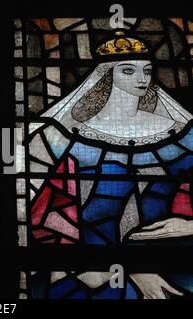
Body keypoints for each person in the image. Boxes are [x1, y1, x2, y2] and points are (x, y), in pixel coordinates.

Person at [29, 31, 193, 299]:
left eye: (147, 70)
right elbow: (45, 218)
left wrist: (189, 227)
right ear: (106, 75)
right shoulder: (61, 137)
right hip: (92, 268)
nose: (142, 79)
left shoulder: (184, 134)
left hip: (175, 258)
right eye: (128, 71)